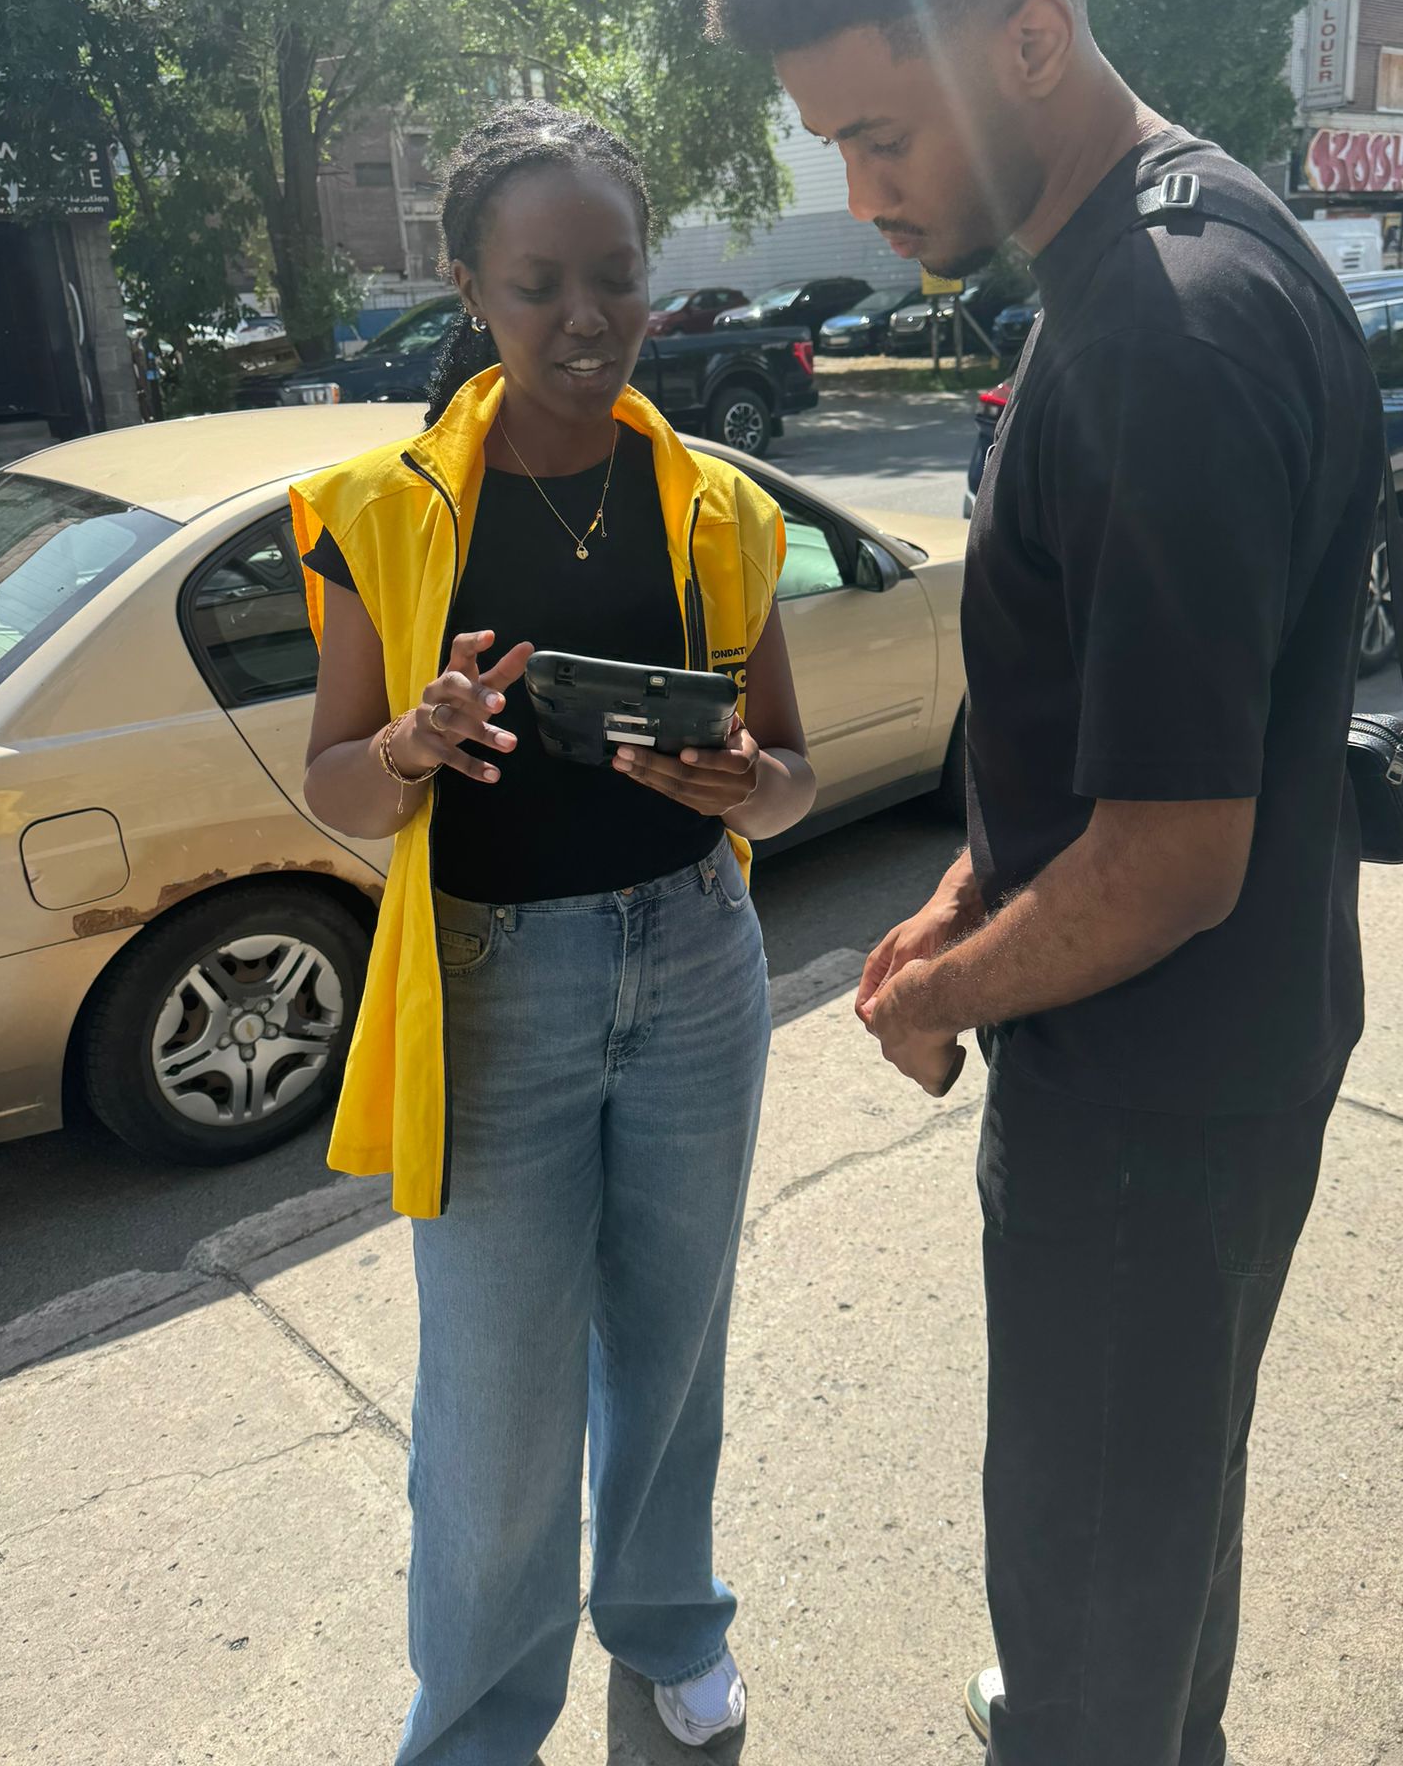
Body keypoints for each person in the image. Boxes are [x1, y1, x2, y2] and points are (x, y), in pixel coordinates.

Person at [703, 0, 1383, 1764]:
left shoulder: (1162, 333)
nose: (859, 185)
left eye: (881, 129)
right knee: (1150, 1565)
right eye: (830, 138)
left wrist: (942, 1000)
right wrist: (957, 904)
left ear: (1030, 33)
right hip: (1197, 1080)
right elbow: (1088, 750)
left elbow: (1174, 853)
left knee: (1091, 1612)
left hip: (1149, 1109)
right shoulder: (1158, 255)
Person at [293, 103, 816, 1765]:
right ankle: (474, 1727)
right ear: (468, 288)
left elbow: (792, 777)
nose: (586, 318)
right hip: (493, 989)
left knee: (672, 1351)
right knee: (499, 1406)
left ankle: (670, 1636)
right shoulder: (380, 510)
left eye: (616, 279)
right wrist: (407, 748)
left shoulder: (721, 510)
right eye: (539, 286)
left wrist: (740, 784)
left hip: (694, 969)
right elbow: (334, 790)